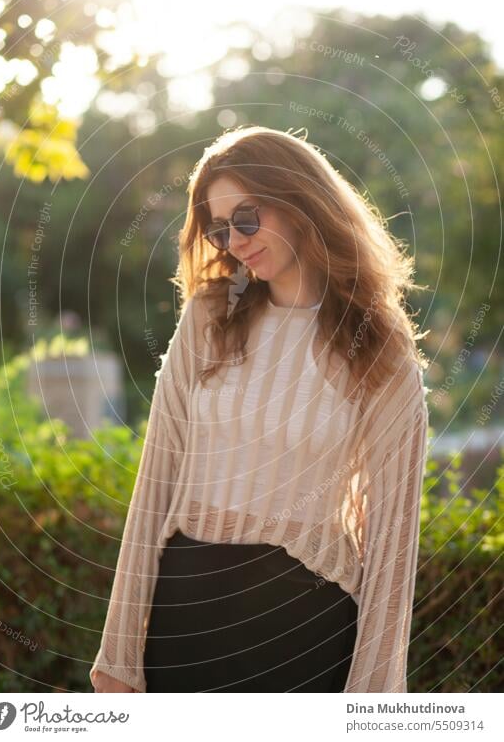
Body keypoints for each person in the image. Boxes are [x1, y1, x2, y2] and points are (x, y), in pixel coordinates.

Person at [90, 125, 430, 693]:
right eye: (220, 229)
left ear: (299, 200)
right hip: (186, 610)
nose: (236, 240)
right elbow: (156, 478)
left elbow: (393, 540)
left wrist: (373, 703)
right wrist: (119, 652)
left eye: (247, 217)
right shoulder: (209, 317)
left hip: (306, 623)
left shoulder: (379, 346)